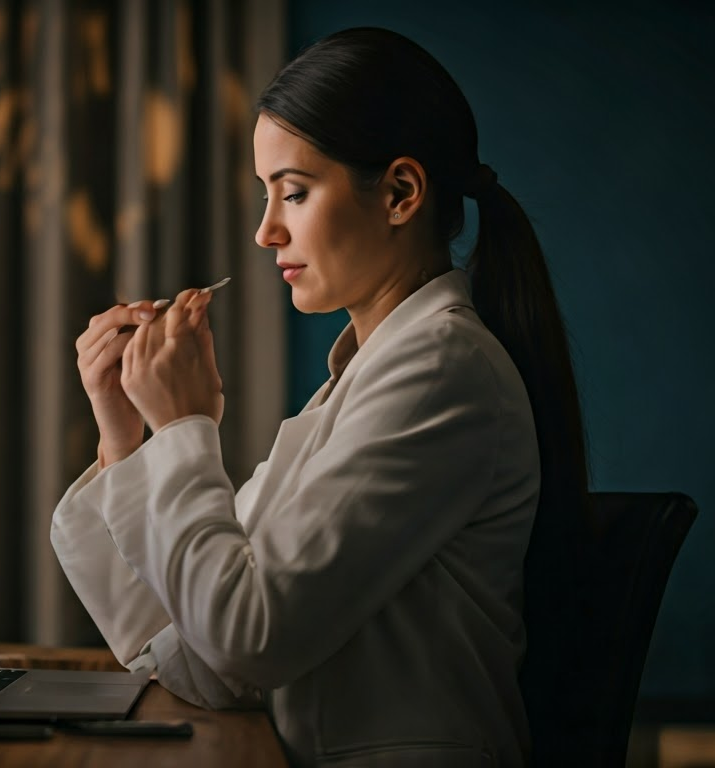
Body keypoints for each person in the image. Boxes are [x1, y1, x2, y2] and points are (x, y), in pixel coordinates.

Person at [52, 27, 588, 767]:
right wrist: (126, 443)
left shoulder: (441, 372)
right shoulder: (364, 381)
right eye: (266, 196)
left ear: (400, 193)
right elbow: (199, 654)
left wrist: (183, 428)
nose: (265, 230)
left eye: (293, 193)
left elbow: (246, 638)